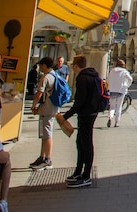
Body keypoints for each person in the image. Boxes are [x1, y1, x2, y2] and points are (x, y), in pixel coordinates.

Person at [61, 55, 99, 188]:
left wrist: (65, 116)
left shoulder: (82, 78)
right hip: (91, 112)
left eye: (73, 66)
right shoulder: (94, 75)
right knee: (81, 142)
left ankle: (86, 176)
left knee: (86, 143)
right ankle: (78, 172)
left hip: (86, 114)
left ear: (76, 66)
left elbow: (79, 101)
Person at [29, 57, 57, 170]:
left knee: (47, 133)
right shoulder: (55, 75)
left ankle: (48, 159)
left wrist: (33, 106)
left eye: (41, 65)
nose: (40, 68)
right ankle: (42, 156)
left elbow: (39, 93)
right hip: (51, 108)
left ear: (45, 65)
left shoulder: (46, 77)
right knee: (44, 133)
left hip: (47, 109)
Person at [107, 59, 133, 127]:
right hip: (121, 90)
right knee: (119, 107)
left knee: (112, 106)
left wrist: (110, 86)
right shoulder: (124, 71)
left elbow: (108, 80)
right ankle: (117, 122)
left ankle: (110, 117)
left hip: (112, 90)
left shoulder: (112, 71)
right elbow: (130, 79)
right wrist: (126, 85)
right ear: (123, 65)